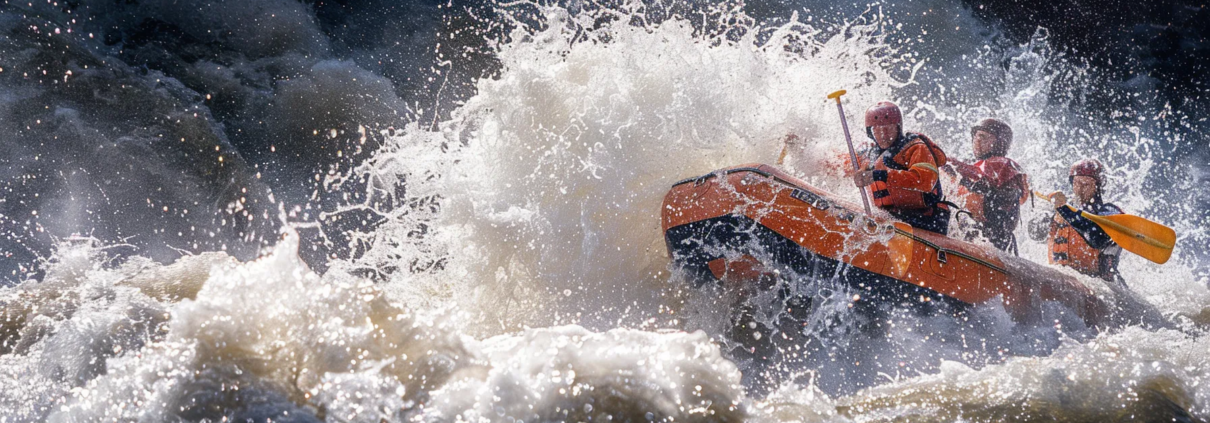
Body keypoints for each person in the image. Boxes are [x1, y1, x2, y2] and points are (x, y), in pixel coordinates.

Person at [850, 101, 951, 234]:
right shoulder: (870, 154)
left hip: (928, 218)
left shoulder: (916, 148)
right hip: (895, 215)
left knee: (882, 221)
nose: (883, 135)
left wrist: (880, 175)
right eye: (877, 130)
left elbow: (925, 181)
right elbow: (843, 166)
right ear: (870, 132)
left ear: (898, 128)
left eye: (888, 128)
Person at [946, 118, 1030, 254]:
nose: (977, 141)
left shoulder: (1002, 164)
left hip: (992, 238)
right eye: (976, 136)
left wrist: (955, 167)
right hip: (979, 234)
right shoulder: (978, 165)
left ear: (999, 143)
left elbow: (983, 181)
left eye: (984, 137)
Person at [1033, 159, 1124, 282]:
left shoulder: (1110, 212)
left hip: (1099, 283)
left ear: (1098, 187)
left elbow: (1096, 238)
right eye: (1077, 183)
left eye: (1086, 184)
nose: (1080, 189)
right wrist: (1049, 219)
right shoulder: (1060, 207)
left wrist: (1065, 211)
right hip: (1060, 277)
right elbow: (1035, 234)